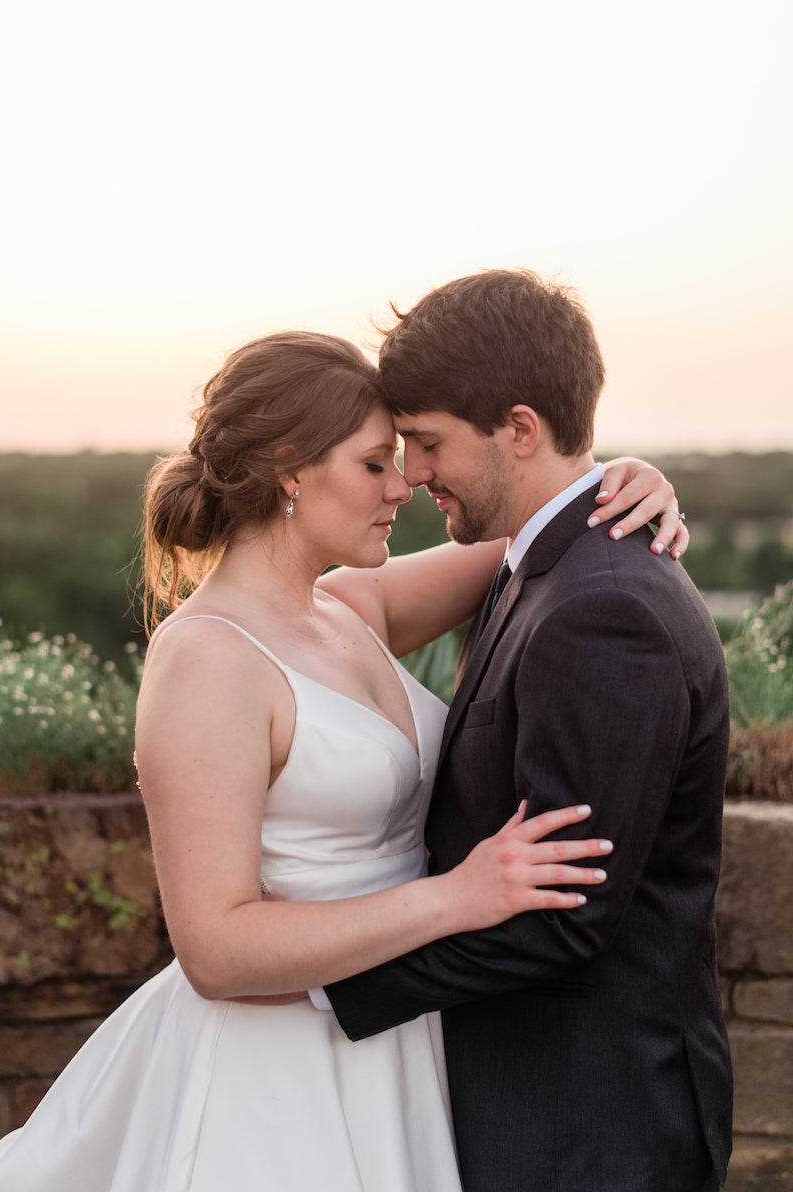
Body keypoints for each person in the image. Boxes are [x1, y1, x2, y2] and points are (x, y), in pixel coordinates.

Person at [0, 329, 684, 1192]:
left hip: (397, 1047)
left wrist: (625, 479)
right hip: (273, 1073)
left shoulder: (351, 605)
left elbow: (535, 522)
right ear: (289, 466)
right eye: (374, 465)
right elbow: (215, 948)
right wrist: (456, 896)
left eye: (403, 459)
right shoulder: (207, 659)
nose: (404, 486)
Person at [323, 271, 733, 1192]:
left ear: (518, 428)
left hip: (587, 1128)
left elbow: (566, 915)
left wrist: (323, 987)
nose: (414, 472)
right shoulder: (539, 561)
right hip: (536, 1112)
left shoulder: (605, 608)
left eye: (427, 443)